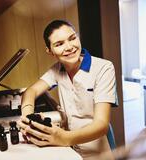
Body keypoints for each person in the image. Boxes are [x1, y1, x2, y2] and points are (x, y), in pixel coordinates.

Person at [18, 19, 117, 159]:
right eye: (59, 44)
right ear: (50, 51)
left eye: (72, 38)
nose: (69, 47)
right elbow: (30, 91)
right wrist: (27, 118)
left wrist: (63, 138)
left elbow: (101, 125)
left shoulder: (103, 68)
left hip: (98, 148)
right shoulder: (57, 70)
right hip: (71, 149)